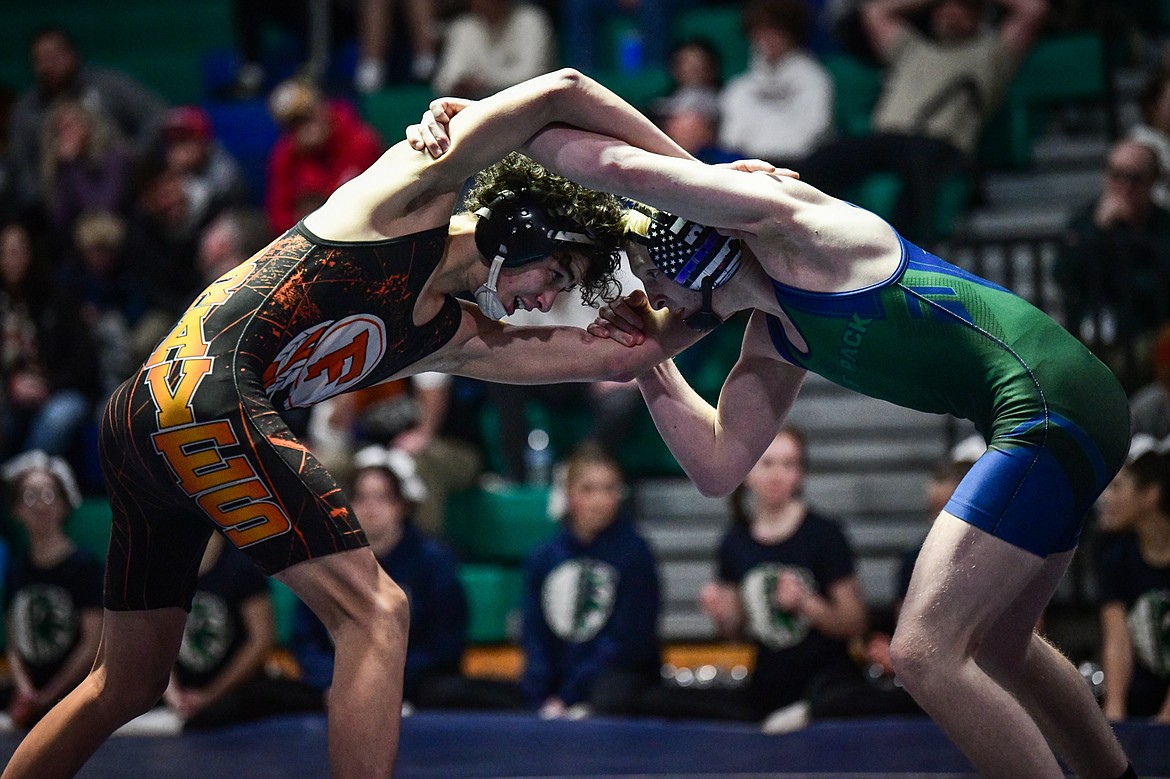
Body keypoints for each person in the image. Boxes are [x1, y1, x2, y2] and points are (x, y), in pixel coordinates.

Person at [410, 70, 1139, 776]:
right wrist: (647, 361)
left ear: (689, 256)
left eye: (650, 277)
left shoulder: (798, 231)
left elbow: (591, 138)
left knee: (923, 651)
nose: (654, 300)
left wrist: (481, 131)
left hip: (1048, 401)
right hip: (1070, 409)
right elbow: (719, 466)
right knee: (1003, 648)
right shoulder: (777, 335)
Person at [0, 69, 708, 779]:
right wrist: (696, 187)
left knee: (127, 681)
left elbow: (619, 358)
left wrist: (712, 305)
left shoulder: (450, 332)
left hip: (140, 415)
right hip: (207, 404)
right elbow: (562, 90)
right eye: (556, 274)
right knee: (376, 612)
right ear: (520, 236)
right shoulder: (411, 196)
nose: (550, 298)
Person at [640, 426, 868, 729]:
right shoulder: (735, 542)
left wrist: (807, 604)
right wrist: (721, 612)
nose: (777, 475)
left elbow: (855, 623)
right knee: (659, 701)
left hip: (825, 677)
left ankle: (809, 710)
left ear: (800, 474)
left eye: (788, 464)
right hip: (769, 681)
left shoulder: (825, 535)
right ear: (748, 473)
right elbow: (734, 631)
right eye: (768, 463)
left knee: (844, 699)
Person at [797, 0, 1049, 240]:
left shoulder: (991, 54)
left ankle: (897, 262)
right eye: (944, 8)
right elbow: (875, 11)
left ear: (977, 17)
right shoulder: (912, 47)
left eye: (961, 9)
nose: (950, 13)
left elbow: (1034, 9)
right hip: (885, 139)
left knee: (914, 191)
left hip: (940, 146)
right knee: (821, 162)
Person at [290, 444, 470, 709]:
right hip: (339, 687)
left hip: (417, 688)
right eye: (360, 498)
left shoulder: (433, 562)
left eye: (382, 498)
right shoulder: (327, 563)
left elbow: (444, 644)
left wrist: (383, 684)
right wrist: (332, 683)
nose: (371, 508)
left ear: (402, 505)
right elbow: (307, 639)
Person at [520, 443, 661, 718]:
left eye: (608, 489)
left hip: (615, 681)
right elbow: (534, 631)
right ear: (569, 494)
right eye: (589, 489)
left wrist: (571, 694)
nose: (599, 500)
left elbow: (628, 640)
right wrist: (542, 692)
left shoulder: (635, 554)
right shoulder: (544, 557)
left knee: (614, 695)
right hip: (558, 683)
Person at [165, 533, 323, 730]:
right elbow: (155, 637)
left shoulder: (240, 565)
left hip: (235, 689)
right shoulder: (163, 567)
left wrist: (209, 696)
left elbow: (261, 640)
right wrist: (171, 692)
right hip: (178, 690)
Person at [7, 27, 166, 212]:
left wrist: (132, 157)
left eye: (53, 56)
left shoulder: (107, 86)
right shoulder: (27, 109)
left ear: (73, 54)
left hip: (125, 197)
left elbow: (158, 115)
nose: (47, 65)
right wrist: (44, 199)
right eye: (40, 59)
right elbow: (21, 167)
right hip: (54, 209)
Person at [1055, 138, 1170, 391]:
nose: (1124, 187)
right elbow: (1064, 274)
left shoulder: (1162, 227)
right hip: (1087, 340)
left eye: (1135, 178)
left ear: (1153, 182)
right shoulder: (1087, 222)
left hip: (1143, 335)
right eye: (1116, 176)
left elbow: (1159, 287)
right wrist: (1099, 231)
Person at [1, 452, 103, 731]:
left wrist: (48, 698)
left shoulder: (84, 566)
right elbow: (14, 642)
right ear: (16, 509)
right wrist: (25, 690)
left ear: (63, 504)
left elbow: (92, 646)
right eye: (30, 497)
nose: (41, 506)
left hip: (73, 692)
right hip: (30, 693)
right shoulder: (16, 569)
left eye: (49, 495)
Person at [1095, 450, 1170, 722]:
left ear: (1150, 495)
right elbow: (1117, 640)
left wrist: (1164, 722)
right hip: (1141, 702)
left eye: (1118, 488)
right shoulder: (1117, 558)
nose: (1106, 499)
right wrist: (1115, 711)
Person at [716, 0, 834, 167]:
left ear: (791, 33)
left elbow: (814, 134)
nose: (766, 38)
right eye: (759, 31)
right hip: (750, 167)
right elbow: (732, 139)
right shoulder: (739, 87)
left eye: (774, 30)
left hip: (798, 167)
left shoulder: (815, 79)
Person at [264, 78, 384, 233]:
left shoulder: (360, 141)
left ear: (322, 107)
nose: (306, 127)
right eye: (295, 123)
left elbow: (378, 201)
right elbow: (278, 216)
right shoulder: (284, 154)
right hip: (309, 241)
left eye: (308, 116)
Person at [430, 0, 555, 100]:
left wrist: (484, 83)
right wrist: (462, 83)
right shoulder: (463, 27)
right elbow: (445, 80)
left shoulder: (531, 20)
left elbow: (533, 75)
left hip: (528, 109)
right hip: (473, 110)